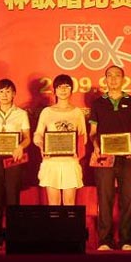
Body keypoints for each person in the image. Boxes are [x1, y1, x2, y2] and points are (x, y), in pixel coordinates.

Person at [89, 65, 131, 251]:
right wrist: (96, 145)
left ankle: (126, 240)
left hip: (127, 156)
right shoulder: (98, 103)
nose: (113, 79)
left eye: (117, 75)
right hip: (104, 157)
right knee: (104, 198)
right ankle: (105, 241)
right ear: (105, 79)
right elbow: (93, 132)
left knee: (127, 199)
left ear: (123, 79)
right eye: (109, 76)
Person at [0, 78, 31, 250]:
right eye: (1, 91)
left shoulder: (21, 114)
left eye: (8, 91)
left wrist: (20, 147)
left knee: (12, 198)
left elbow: (27, 138)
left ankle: (13, 236)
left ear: (14, 94)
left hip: (13, 160)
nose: (4, 95)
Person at [34, 74, 87, 205]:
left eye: (67, 86)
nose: (63, 90)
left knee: (70, 202)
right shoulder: (47, 112)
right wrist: (42, 146)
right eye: (59, 87)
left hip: (70, 162)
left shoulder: (77, 112)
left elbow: (83, 136)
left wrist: (78, 151)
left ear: (72, 90)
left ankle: (68, 221)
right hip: (51, 162)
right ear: (55, 90)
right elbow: (38, 135)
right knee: (54, 203)